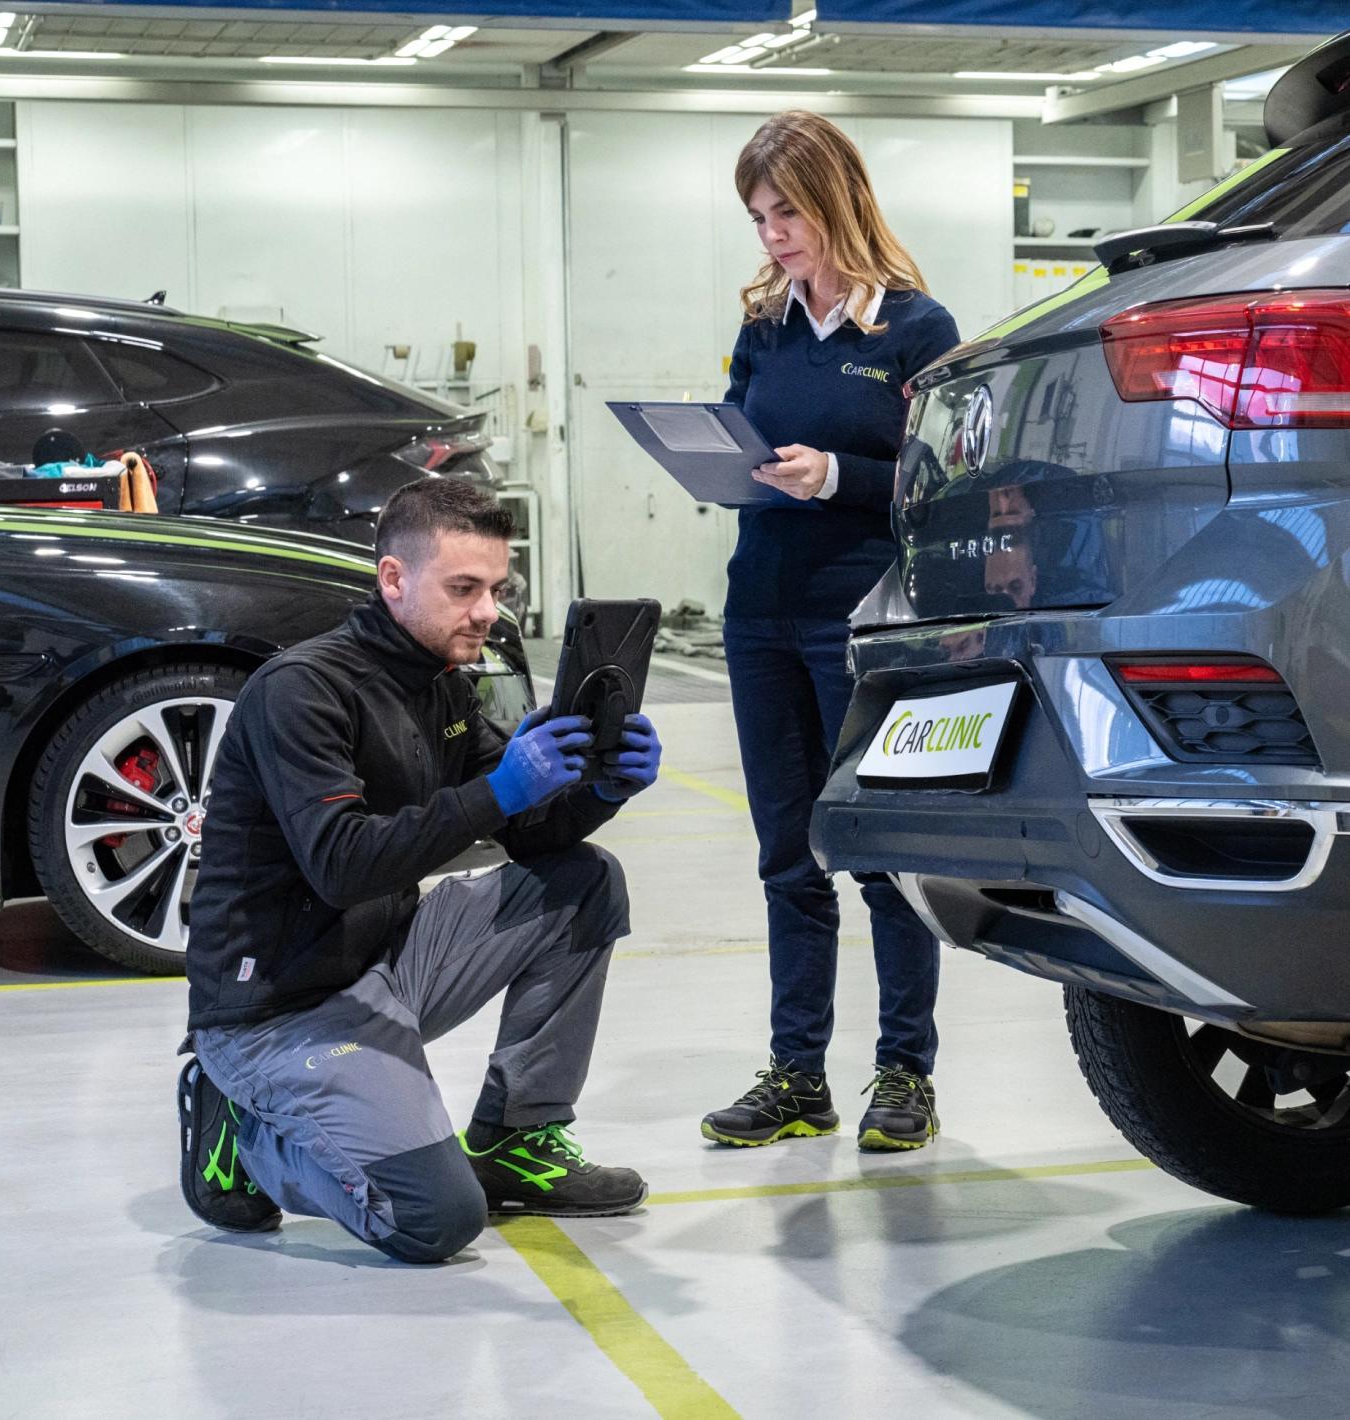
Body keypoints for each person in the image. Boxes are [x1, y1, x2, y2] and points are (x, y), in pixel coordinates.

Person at [176, 478, 663, 1263]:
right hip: (274, 1015)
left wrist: (602, 788)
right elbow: (340, 864)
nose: (486, 612)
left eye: (496, 589)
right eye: (463, 588)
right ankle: (240, 1131)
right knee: (434, 1218)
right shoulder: (301, 691)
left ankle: (520, 1138)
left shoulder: (444, 686)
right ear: (394, 580)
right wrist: (499, 788)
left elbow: (537, 839)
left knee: (584, 880)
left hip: (388, 963)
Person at [700, 111, 960, 1153]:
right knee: (784, 853)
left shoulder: (914, 329)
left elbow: (944, 483)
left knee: (878, 849)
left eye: (786, 212)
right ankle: (796, 1073)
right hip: (757, 605)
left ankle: (904, 1070)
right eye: (758, 216)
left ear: (836, 199)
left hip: (858, 616)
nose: (770, 234)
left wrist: (839, 476)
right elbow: (735, 427)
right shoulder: (763, 327)